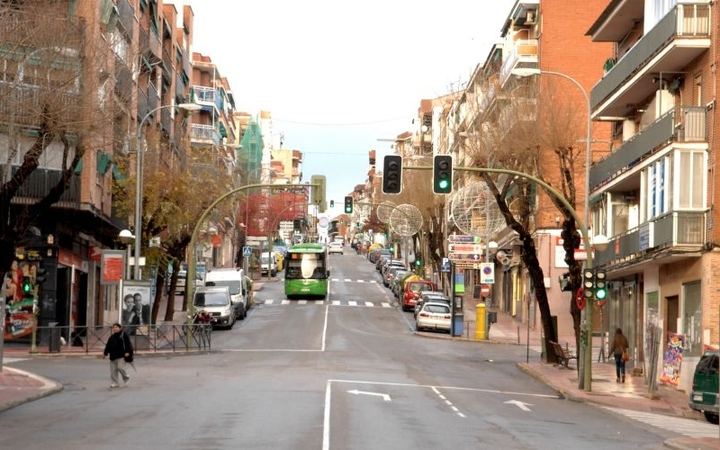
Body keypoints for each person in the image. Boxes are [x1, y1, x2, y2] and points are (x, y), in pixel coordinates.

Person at [103, 323, 133, 388]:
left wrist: (128, 352)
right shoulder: (111, 337)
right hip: (113, 356)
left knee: (120, 368)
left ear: (120, 328)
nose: (115, 328)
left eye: (116, 327)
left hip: (121, 355)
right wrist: (105, 353)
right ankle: (115, 383)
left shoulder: (124, 335)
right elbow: (108, 346)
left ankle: (126, 377)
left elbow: (128, 344)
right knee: (113, 371)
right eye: (114, 327)